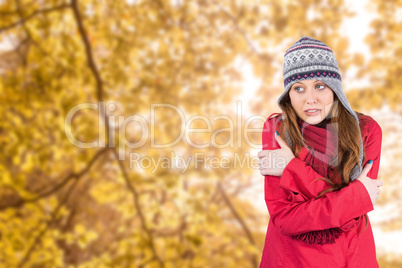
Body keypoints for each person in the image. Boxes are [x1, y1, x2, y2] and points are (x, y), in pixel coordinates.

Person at [257, 36, 383, 267]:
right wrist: (355, 196)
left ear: (334, 88)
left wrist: (291, 167)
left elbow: (354, 216)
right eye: (299, 89)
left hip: (351, 255)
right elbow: (285, 218)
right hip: (292, 258)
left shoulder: (366, 131)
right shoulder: (277, 129)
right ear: (288, 95)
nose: (310, 100)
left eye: (320, 86)